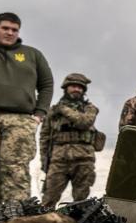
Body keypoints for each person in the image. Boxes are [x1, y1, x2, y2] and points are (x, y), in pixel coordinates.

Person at [0, 12, 53, 201]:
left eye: (14, 30)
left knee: (15, 169)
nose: (10, 33)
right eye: (5, 28)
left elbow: (46, 84)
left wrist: (40, 113)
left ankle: (14, 219)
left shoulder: (32, 54)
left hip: (20, 120)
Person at [39, 73, 100, 207]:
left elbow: (84, 122)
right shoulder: (53, 112)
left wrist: (64, 110)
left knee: (81, 202)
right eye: (73, 86)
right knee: (48, 199)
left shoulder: (90, 108)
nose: (77, 89)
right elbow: (44, 137)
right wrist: (44, 161)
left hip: (84, 159)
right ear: (66, 88)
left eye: (80, 87)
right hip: (58, 160)